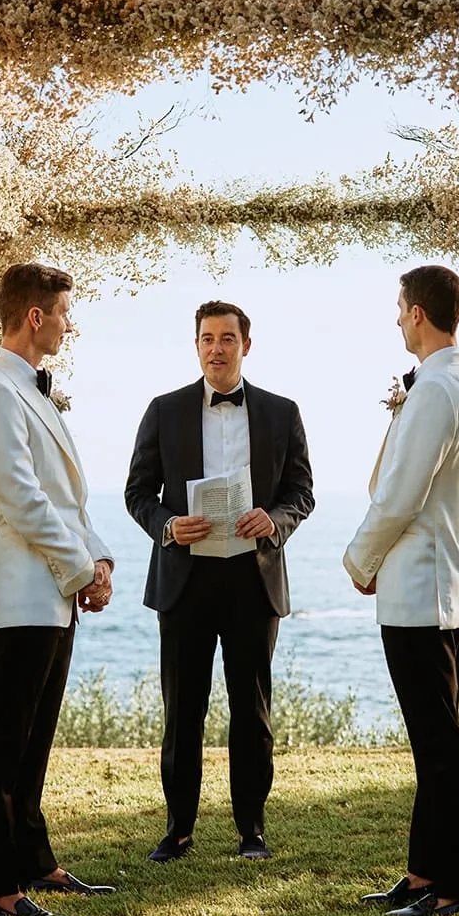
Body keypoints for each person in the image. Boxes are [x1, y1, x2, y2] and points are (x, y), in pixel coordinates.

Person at [125, 300, 315, 863]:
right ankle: (178, 829)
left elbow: (301, 493)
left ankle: (251, 830)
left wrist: (274, 520)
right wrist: (168, 526)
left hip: (252, 580)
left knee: (251, 710)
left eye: (227, 338)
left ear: (245, 346)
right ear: (197, 346)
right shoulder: (164, 410)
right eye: (207, 338)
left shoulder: (283, 412)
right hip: (186, 580)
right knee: (183, 709)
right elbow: (138, 493)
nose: (216, 348)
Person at [0, 263, 117, 916]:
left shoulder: (34, 392)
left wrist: (98, 556)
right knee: (3, 744)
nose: (66, 323)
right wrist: (80, 569)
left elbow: (66, 497)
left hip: (53, 592)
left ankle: (34, 859)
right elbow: (23, 500)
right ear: (34, 316)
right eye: (61, 313)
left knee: (34, 741)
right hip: (23, 591)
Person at [346, 265, 459, 916]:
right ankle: (423, 873)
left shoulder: (435, 390)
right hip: (439, 585)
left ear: (420, 315)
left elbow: (401, 492)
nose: (397, 318)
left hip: (419, 590)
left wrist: (359, 557)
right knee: (431, 743)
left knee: (439, 746)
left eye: (400, 308)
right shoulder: (456, 380)